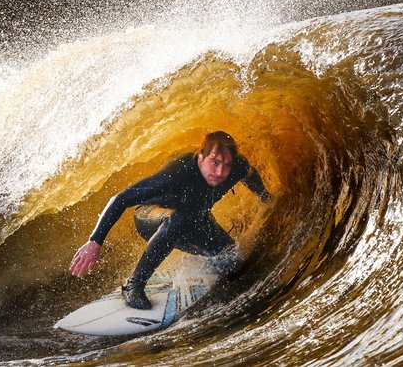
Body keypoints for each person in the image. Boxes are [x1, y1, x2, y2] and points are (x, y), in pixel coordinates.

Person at [69, 131, 271, 309]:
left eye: (226, 165)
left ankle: (202, 268)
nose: (220, 172)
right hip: (152, 216)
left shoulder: (237, 168)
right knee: (178, 218)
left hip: (196, 220)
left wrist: (265, 199)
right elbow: (121, 199)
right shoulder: (179, 171)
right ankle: (134, 285)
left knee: (232, 260)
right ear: (201, 157)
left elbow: (250, 175)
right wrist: (95, 241)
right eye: (214, 162)